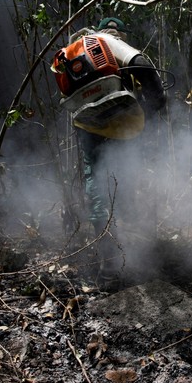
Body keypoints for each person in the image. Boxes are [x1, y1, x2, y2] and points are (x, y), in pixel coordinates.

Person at [62, 17, 167, 238]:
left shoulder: (74, 50)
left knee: (95, 179)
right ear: (118, 32)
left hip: (87, 123)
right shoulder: (107, 40)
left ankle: (106, 242)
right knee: (125, 174)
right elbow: (143, 65)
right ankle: (130, 239)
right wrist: (154, 104)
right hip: (123, 123)